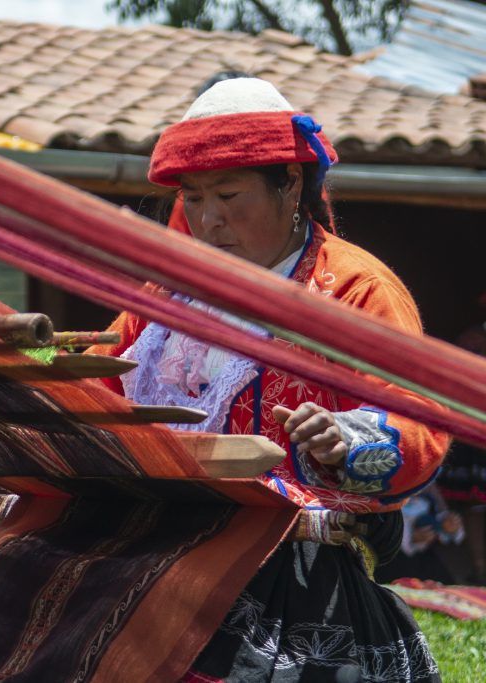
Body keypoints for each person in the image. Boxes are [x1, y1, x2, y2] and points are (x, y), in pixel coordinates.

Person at [89, 78, 450, 681]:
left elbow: (420, 422)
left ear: (290, 185)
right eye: (194, 197)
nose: (208, 220)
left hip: (286, 559)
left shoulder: (355, 292)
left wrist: (348, 436)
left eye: (229, 194)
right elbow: (105, 387)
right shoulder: (167, 294)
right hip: (156, 538)